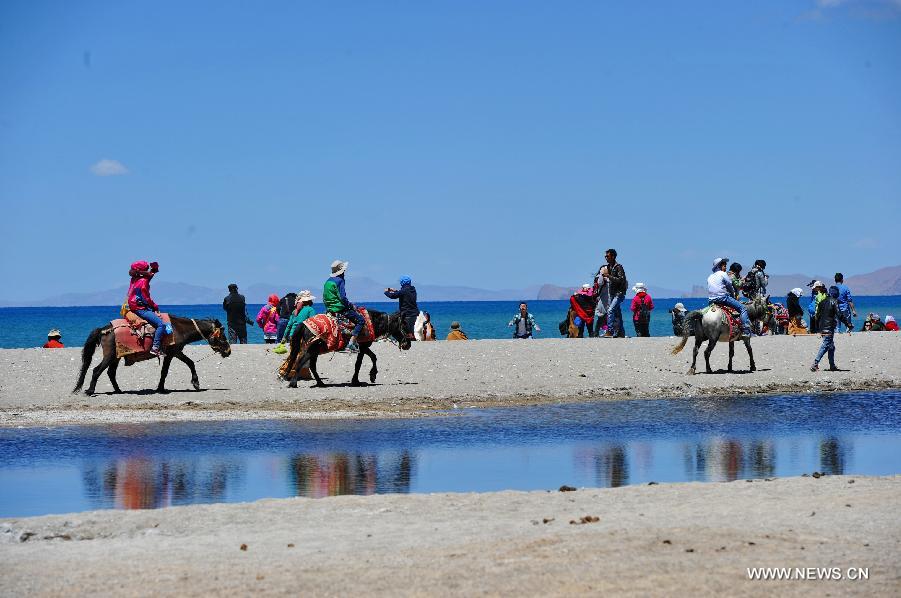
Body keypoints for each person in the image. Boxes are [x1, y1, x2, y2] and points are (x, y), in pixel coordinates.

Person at [127, 260, 168, 356]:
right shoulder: (144, 282)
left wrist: (153, 269)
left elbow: (149, 275)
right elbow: (146, 298)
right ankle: (155, 348)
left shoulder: (134, 278)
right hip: (140, 308)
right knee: (161, 325)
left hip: (132, 306)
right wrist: (155, 307)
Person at [323, 260, 365, 352]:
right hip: (340, 309)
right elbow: (342, 297)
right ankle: (351, 343)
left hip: (329, 309)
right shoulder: (340, 280)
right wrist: (350, 305)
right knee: (361, 320)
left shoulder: (328, 281)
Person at [810, 285, 853, 372]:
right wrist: (848, 324)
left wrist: (818, 329)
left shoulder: (822, 302)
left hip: (823, 328)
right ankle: (815, 363)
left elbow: (817, 316)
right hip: (828, 328)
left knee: (831, 347)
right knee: (826, 345)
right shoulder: (834, 301)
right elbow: (840, 315)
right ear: (836, 293)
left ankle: (832, 366)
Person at [707, 258, 751, 337]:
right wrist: (733, 296)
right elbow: (730, 286)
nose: (726, 268)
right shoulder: (723, 274)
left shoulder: (710, 276)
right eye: (724, 266)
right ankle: (746, 330)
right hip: (722, 298)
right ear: (719, 266)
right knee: (743, 309)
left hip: (711, 300)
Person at [600, 249, 627, 338]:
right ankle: (620, 333)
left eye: (607, 256)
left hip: (619, 293)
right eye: (605, 256)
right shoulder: (609, 267)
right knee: (617, 314)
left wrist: (608, 276)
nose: (606, 258)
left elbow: (621, 280)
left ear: (613, 256)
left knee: (610, 310)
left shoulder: (618, 267)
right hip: (612, 293)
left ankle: (610, 331)